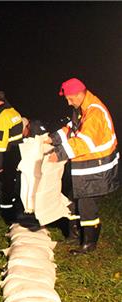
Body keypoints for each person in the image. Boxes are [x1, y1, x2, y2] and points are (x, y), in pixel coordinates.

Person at [46, 78, 119, 254]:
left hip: (97, 166)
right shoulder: (83, 109)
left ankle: (89, 244)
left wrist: (59, 154)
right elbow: (71, 128)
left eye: (70, 99)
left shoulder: (94, 113)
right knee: (74, 196)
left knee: (87, 204)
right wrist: (52, 139)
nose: (69, 103)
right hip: (88, 163)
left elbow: (84, 142)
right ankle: (75, 235)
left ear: (80, 94)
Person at [0, 90, 25, 222]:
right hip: (16, 154)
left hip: (6, 156)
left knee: (5, 186)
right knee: (15, 184)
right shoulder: (14, 112)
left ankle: (6, 216)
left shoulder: (2, 117)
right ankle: (17, 210)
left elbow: (0, 145)